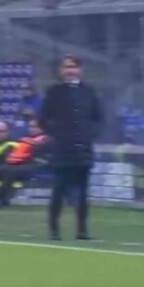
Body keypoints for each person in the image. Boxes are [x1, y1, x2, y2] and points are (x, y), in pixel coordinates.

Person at [39, 55, 102, 240]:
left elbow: (98, 117)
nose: (70, 71)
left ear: (79, 70)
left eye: (73, 67)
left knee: (83, 192)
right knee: (58, 190)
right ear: (61, 70)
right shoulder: (54, 92)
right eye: (66, 67)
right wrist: (57, 134)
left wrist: (89, 134)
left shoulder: (89, 91)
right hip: (62, 149)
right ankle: (54, 229)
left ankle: (82, 230)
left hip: (83, 149)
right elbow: (43, 119)